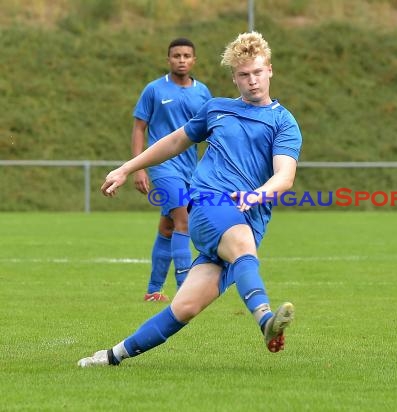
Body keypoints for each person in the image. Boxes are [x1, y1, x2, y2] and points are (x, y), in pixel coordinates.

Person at [78, 31, 302, 367]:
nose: (252, 81)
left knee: (184, 308)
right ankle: (266, 321)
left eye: (257, 72)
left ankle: (111, 356)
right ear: (234, 77)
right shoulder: (217, 110)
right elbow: (173, 142)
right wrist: (126, 168)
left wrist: (256, 195)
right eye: (243, 75)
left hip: (249, 218)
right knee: (241, 244)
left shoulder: (284, 122)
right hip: (211, 205)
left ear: (269, 70)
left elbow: (284, 176)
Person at [132, 38, 212, 302]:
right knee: (183, 221)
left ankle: (153, 290)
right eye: (176, 55)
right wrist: (139, 168)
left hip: (191, 168)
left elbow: (209, 130)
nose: (181, 59)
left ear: (193, 60)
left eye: (186, 55)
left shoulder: (203, 92)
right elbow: (139, 128)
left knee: (168, 228)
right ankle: (184, 290)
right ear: (168, 59)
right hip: (162, 166)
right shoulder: (154, 90)